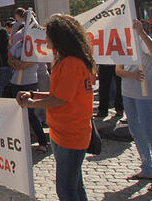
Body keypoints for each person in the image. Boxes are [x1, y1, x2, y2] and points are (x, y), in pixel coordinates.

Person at [17, 14, 95, 201]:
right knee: (75, 187)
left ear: (59, 38)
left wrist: (31, 104)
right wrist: (34, 95)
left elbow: (60, 99)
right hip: (64, 132)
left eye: (48, 35)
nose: (45, 39)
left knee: (66, 190)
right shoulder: (68, 61)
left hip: (71, 134)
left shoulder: (71, 63)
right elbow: (59, 95)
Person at [116, 19, 152, 182]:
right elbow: (118, 70)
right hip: (128, 92)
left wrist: (141, 33)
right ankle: (147, 167)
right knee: (136, 131)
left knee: (149, 131)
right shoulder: (124, 44)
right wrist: (132, 75)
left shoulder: (143, 41)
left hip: (145, 94)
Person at [8, 39, 49, 153]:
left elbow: (26, 64)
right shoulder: (18, 43)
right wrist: (15, 62)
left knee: (31, 114)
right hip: (15, 82)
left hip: (29, 82)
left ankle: (43, 142)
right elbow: (10, 59)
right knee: (16, 114)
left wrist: (17, 62)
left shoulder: (36, 46)